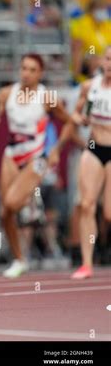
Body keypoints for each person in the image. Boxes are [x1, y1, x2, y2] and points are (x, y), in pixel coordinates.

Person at [0, 54, 74, 278]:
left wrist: (56, 150)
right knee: (5, 211)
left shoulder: (48, 97)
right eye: (24, 68)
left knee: (13, 202)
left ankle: (29, 204)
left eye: (32, 69)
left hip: (36, 158)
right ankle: (19, 259)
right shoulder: (6, 93)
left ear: (40, 73)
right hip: (12, 154)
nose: (26, 73)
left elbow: (69, 122)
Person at [71, 46, 111, 279]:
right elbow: (76, 115)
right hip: (94, 148)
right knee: (86, 205)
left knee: (108, 214)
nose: (109, 64)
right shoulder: (90, 87)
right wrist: (82, 118)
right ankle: (87, 263)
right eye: (107, 59)